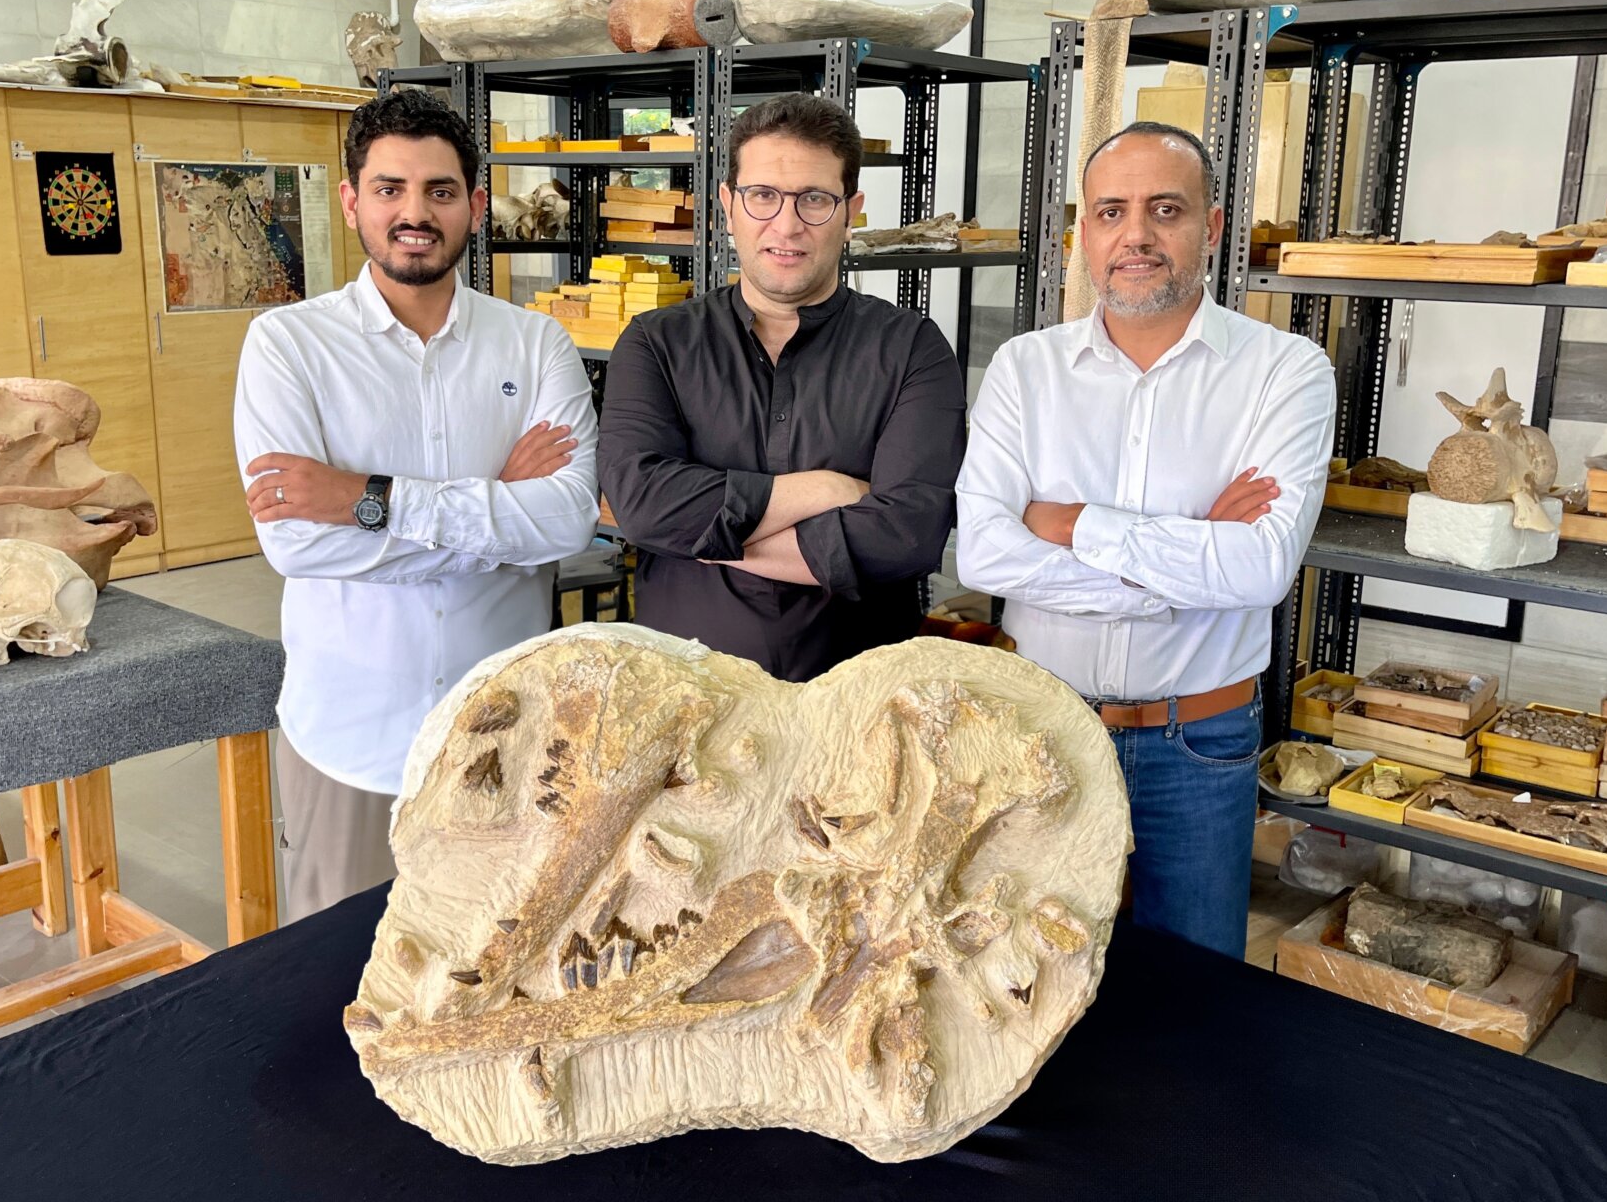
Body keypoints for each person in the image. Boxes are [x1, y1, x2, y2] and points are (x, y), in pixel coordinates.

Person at [956, 120, 1336, 958]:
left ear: (1212, 226)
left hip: (1197, 743)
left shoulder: (1286, 372)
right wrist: (1188, 555)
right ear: (1082, 234)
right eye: (1110, 212)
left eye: (1166, 209)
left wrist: (1073, 524)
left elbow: (1261, 568)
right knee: (1026, 973)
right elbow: (983, 552)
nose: (1136, 235)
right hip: (1041, 725)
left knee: (1194, 986)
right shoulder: (1025, 369)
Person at [233, 89, 599, 922]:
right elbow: (296, 545)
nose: (415, 213)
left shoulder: (534, 343)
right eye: (390, 189)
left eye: (439, 191)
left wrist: (367, 499)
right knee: (341, 969)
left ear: (475, 204)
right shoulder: (289, 346)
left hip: (503, 739)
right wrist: (498, 512)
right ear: (351, 201)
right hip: (352, 740)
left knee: (494, 958)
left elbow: (566, 520)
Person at [597, 94, 966, 681]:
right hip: (685, 698)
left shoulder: (911, 349)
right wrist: (827, 489)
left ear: (851, 212)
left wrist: (704, 537)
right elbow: (644, 506)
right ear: (728, 206)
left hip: (860, 704)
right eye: (763, 195)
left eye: (815, 199)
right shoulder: (656, 344)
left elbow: (908, 536)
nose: (787, 225)